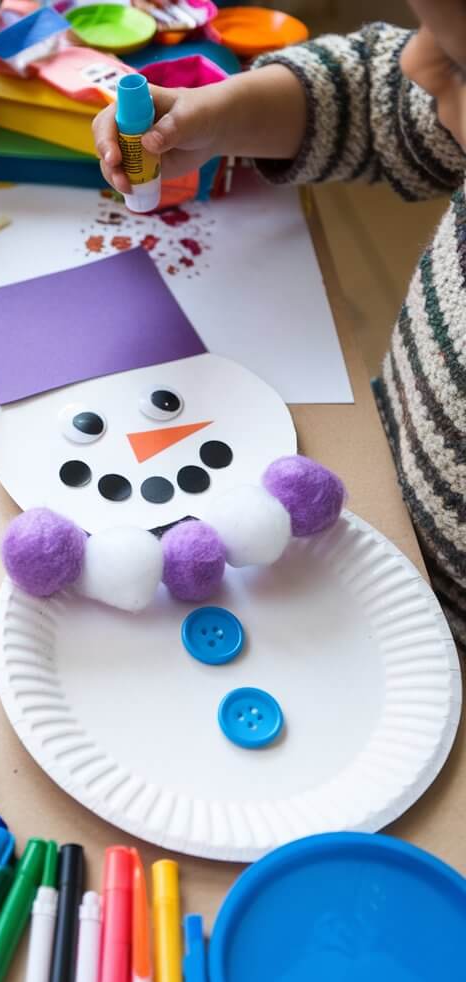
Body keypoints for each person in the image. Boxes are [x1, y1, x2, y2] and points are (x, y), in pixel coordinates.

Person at [93, 1, 466, 643]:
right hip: (370, 481)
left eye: (459, 63)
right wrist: (219, 117)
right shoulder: (436, 85)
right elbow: (377, 92)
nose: (417, 61)